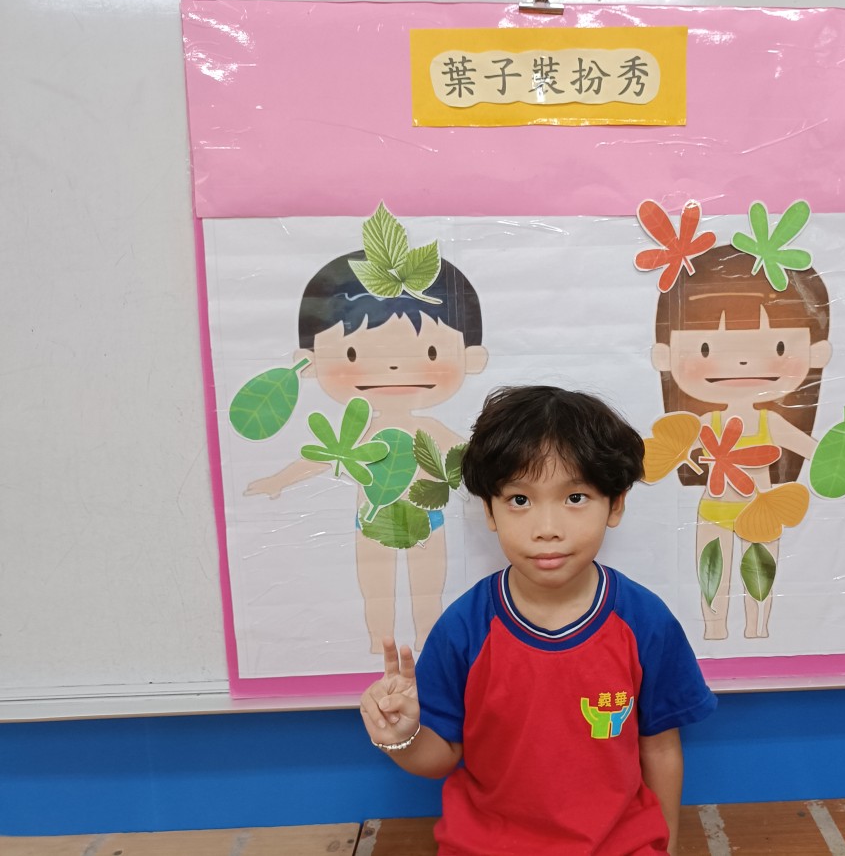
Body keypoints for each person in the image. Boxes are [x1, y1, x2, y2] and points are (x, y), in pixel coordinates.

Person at [359, 385, 717, 855]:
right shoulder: (464, 629)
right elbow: (440, 758)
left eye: (575, 497)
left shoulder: (645, 621)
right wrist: (402, 739)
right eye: (520, 500)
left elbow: (661, 747)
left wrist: (665, 846)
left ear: (616, 504)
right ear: (489, 510)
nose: (547, 529)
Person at [245, 247, 487, 652]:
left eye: (430, 352)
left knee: (428, 590)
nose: (393, 369)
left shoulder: (428, 429)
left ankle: (429, 642)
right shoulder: (359, 432)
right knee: (376, 589)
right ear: (310, 362)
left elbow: (475, 457)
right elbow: (323, 457)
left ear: (471, 358)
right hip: (371, 522)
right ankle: (378, 643)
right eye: (353, 353)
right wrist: (278, 480)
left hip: (428, 521)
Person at [651, 244, 845, 640]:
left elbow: (810, 447)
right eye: (706, 348)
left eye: (778, 347)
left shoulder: (769, 422)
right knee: (713, 572)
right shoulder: (705, 422)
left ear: (817, 353)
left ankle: (757, 630)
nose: (741, 363)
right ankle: (715, 630)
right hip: (714, 509)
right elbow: (670, 449)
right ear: (664, 357)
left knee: (760, 573)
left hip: (763, 506)